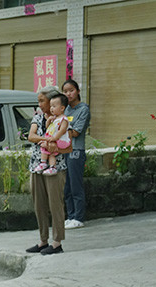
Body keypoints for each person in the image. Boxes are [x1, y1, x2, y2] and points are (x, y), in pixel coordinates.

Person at [25, 86, 70, 256]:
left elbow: (69, 146)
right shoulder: (37, 117)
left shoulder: (63, 120)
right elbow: (31, 136)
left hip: (56, 168)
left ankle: (57, 242)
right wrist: (47, 139)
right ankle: (43, 240)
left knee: (55, 205)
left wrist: (55, 144)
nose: (41, 104)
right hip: (36, 166)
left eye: (42, 101)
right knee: (40, 205)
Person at [62, 79, 91, 229]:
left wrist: (61, 128)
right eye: (65, 91)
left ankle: (79, 218)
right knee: (66, 186)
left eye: (71, 90)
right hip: (64, 151)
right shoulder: (65, 109)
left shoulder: (83, 109)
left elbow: (75, 132)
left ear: (78, 91)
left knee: (75, 185)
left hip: (76, 151)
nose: (68, 94)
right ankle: (70, 215)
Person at [35, 94, 70, 175]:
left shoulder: (63, 119)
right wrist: (48, 121)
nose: (51, 108)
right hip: (55, 139)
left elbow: (62, 131)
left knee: (44, 145)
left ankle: (43, 162)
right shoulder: (55, 118)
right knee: (51, 154)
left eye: (54, 106)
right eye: (51, 106)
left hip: (62, 140)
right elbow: (49, 128)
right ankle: (52, 167)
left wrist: (53, 139)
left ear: (62, 108)